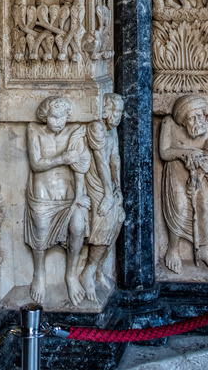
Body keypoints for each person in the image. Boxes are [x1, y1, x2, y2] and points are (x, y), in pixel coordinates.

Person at [25, 97, 91, 306]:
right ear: (45, 116)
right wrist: (63, 158)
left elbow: (81, 168)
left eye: (62, 117)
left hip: (68, 193)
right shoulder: (34, 130)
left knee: (78, 227)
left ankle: (71, 275)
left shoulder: (75, 133)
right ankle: (39, 273)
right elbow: (36, 163)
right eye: (53, 117)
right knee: (41, 230)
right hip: (42, 192)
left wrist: (79, 195)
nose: (58, 121)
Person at [159, 95, 208, 275]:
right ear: (183, 119)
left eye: (200, 115)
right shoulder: (169, 123)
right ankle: (173, 248)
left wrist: (198, 175)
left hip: (201, 170)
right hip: (177, 167)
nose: (198, 120)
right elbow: (164, 152)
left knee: (205, 205)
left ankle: (203, 249)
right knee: (180, 206)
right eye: (192, 117)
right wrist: (184, 153)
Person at [80, 94, 125, 300]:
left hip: (108, 182)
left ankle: (98, 268)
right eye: (115, 111)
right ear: (105, 110)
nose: (118, 116)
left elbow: (114, 159)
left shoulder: (111, 127)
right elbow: (100, 162)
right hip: (95, 181)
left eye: (120, 112)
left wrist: (118, 188)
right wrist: (107, 194)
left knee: (119, 218)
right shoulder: (96, 127)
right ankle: (87, 272)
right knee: (104, 222)